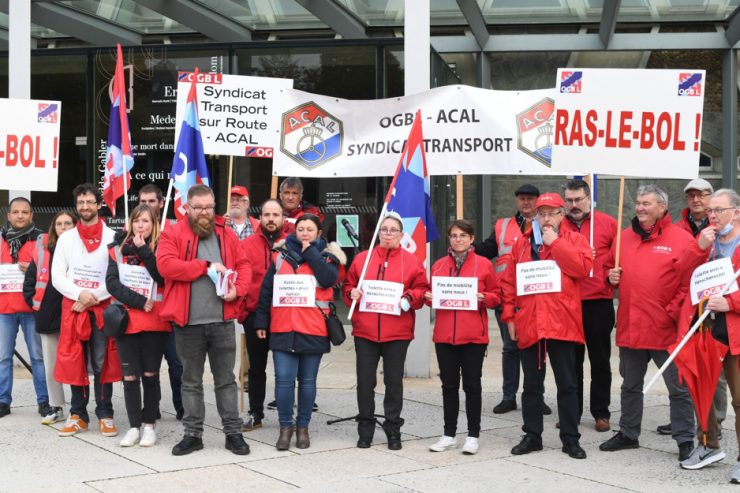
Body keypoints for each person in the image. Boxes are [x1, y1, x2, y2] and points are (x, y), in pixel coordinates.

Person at [599, 185, 696, 462]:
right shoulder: (624, 238)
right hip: (632, 326)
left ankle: (685, 438)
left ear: (662, 207)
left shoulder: (681, 239)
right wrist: (610, 277)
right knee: (630, 385)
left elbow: (688, 283)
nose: (639, 208)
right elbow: (606, 268)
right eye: (638, 203)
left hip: (666, 329)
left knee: (678, 388)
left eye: (646, 203)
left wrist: (670, 311)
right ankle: (629, 433)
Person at [156, 184, 252, 456]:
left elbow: (244, 265)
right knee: (191, 381)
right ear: (187, 207)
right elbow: (166, 266)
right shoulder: (173, 232)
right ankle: (192, 434)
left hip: (222, 320)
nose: (204, 213)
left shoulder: (225, 231)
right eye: (198, 208)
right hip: (188, 323)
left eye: (209, 207)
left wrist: (239, 289)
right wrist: (205, 267)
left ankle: (233, 433)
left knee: (226, 380)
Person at [500, 193, 593, 460]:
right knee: (531, 386)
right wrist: (509, 317)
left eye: (553, 212)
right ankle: (532, 435)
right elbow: (509, 283)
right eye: (542, 213)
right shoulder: (522, 243)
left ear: (562, 215)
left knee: (568, 385)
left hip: (562, 323)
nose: (547, 218)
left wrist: (557, 243)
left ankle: (571, 438)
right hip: (531, 323)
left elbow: (582, 268)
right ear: (536, 216)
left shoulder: (574, 240)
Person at [254, 214, 345, 450]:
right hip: (283, 327)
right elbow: (266, 292)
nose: (304, 233)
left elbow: (327, 280)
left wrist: (310, 253)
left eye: (310, 230)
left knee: (307, 382)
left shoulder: (329, 257)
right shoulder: (279, 256)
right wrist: (261, 322)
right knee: (283, 381)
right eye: (301, 229)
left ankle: (302, 427)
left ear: (319, 234)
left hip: (313, 328)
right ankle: (286, 428)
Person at [343, 213, 429, 450]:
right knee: (365, 382)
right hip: (366, 332)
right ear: (378, 233)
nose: (388, 234)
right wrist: (351, 293)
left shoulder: (412, 262)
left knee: (393, 383)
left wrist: (410, 297)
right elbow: (348, 285)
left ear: (402, 235)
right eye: (384, 229)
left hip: (397, 333)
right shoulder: (363, 258)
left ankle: (393, 429)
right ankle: (365, 429)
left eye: (393, 230)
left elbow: (422, 289)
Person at [675, 188, 740, 474]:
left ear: (736, 213)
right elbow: (683, 275)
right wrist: (698, 247)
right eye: (710, 211)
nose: (712, 215)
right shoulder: (707, 242)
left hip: (735, 331)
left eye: (719, 210)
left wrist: (731, 303)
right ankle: (708, 446)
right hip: (706, 329)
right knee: (704, 390)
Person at [426, 220, 500, 456]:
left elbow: (498, 296)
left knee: (472, 386)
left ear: (471, 238)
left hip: (473, 336)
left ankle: (472, 436)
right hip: (445, 336)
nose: (457, 239)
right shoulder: (438, 266)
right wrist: (428, 296)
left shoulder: (484, 265)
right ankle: (448, 435)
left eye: (462, 235)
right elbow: (430, 296)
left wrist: (484, 297)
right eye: (453, 236)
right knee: (448, 386)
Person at [476, 184, 551, 416]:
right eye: (521, 199)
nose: (525, 203)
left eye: (530, 199)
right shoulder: (503, 225)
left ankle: (536, 395)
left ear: (537, 201)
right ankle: (509, 396)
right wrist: (465, 246)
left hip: (538, 297)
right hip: (507, 297)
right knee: (510, 348)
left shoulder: (549, 225)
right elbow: (486, 250)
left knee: (538, 350)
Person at [52, 183, 120, 437]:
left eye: (90, 201)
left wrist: (93, 297)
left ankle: (106, 414)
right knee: (74, 361)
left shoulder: (112, 237)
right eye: (81, 202)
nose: (85, 206)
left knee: (103, 362)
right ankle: (78, 414)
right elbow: (57, 275)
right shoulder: (67, 238)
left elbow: (117, 275)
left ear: (98, 205)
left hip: (101, 308)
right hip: (74, 307)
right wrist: (79, 294)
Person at [662, 177, 726, 437]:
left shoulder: (721, 226)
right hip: (686, 303)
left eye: (702, 195)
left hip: (715, 303)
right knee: (686, 361)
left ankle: (715, 421)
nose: (696, 200)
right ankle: (687, 418)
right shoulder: (678, 228)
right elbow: (677, 269)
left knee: (714, 363)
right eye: (691, 196)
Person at [106, 205, 170, 447]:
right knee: (130, 376)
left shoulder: (162, 248)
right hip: (126, 321)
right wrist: (140, 301)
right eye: (136, 221)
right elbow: (112, 284)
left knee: (150, 375)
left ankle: (149, 426)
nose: (140, 225)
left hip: (155, 322)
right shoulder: (116, 249)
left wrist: (145, 251)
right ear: (130, 223)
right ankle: (133, 426)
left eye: (146, 221)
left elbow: (162, 277)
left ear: (154, 224)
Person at [559, 179, 617, 432]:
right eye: (569, 201)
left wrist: (610, 276)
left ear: (588, 198)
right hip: (567, 302)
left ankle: (601, 412)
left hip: (597, 301)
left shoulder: (608, 224)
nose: (574, 205)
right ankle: (572, 411)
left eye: (578, 199)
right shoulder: (557, 226)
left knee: (600, 360)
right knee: (571, 362)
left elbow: (618, 260)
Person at [239, 199, 291, 430]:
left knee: (285, 369)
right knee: (256, 368)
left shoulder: (292, 244)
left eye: (276, 214)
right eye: (267, 214)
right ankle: (255, 413)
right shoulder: (247, 244)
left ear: (283, 218)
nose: (271, 219)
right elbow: (240, 279)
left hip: (284, 316)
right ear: (260, 217)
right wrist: (243, 313)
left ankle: (286, 415)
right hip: (254, 316)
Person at [22, 210, 76, 424]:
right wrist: (37, 307)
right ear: (54, 227)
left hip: (74, 315)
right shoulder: (43, 251)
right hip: (48, 318)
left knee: (75, 363)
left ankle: (78, 409)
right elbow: (29, 283)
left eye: (68, 223)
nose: (63, 227)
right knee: (51, 364)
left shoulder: (80, 251)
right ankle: (57, 407)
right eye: (59, 224)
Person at [0, 196, 48, 419]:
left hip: (31, 308)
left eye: (25, 212)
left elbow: (51, 270)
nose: (20, 215)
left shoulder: (41, 239)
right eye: (16, 212)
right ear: (9, 215)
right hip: (4, 309)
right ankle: (3, 401)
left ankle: (45, 401)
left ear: (31, 215)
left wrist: (33, 268)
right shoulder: (0, 239)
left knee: (38, 357)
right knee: (3, 357)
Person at [139, 183, 183, 420]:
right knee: (150, 366)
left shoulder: (173, 232)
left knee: (177, 365)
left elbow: (167, 274)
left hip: (171, 310)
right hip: (145, 310)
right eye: (142, 202)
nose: (147, 206)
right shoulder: (132, 235)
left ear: (161, 203)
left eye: (151, 201)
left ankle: (182, 408)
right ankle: (152, 408)